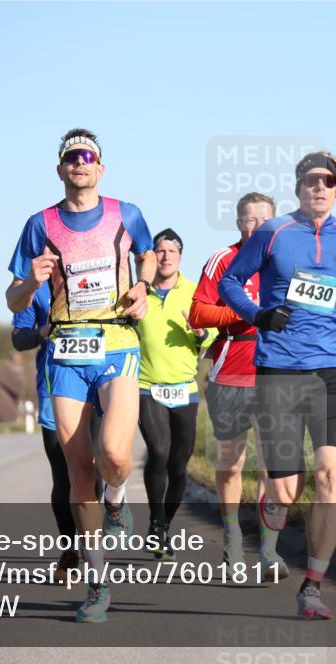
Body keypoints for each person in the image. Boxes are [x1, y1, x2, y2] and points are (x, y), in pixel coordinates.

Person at [217, 152, 336, 619]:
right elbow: (230, 282)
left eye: (328, 181)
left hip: (329, 372)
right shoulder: (273, 232)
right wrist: (257, 315)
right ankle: (273, 509)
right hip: (277, 370)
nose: (319, 187)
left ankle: (312, 587)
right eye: (311, 180)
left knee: (331, 477)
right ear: (298, 187)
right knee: (285, 491)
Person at [6, 128, 156, 623]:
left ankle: (118, 500)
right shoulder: (40, 224)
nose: (80, 163)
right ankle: (97, 585)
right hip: (65, 353)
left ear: (100, 167)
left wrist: (142, 287)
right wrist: (31, 280)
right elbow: (13, 299)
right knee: (79, 472)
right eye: (72, 157)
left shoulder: (126, 213)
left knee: (115, 455)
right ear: (60, 169)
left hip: (116, 343)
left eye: (88, 156)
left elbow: (147, 254)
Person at [189, 192, 289, 580]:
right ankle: (232, 538)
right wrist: (246, 313)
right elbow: (198, 312)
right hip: (230, 372)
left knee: (271, 466)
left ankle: (269, 551)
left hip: (275, 372)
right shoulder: (223, 260)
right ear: (238, 224)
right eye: (250, 220)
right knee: (231, 463)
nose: (258, 227)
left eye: (265, 220)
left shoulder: (289, 262)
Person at [10, 282, 102, 579]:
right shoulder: (36, 287)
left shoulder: (97, 274)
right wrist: (42, 331)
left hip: (98, 384)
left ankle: (92, 542)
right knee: (63, 474)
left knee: (93, 471)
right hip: (54, 387)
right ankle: (69, 548)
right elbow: (19, 339)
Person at [136, 228, 215, 559]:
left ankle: (164, 525)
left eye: (172, 251)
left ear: (180, 256)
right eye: (160, 251)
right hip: (146, 386)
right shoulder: (138, 293)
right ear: (151, 258)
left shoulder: (196, 293)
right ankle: (155, 523)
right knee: (158, 450)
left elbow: (213, 334)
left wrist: (201, 333)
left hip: (184, 388)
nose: (166, 256)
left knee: (179, 465)